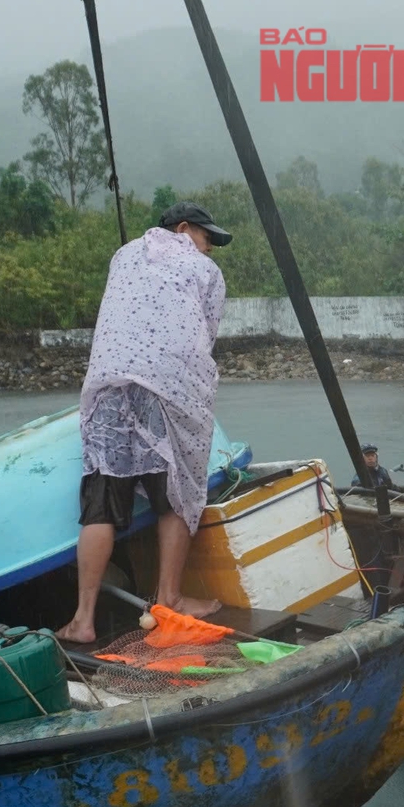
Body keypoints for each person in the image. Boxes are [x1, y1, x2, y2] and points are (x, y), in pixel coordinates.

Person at [59, 203, 233, 644]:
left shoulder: (123, 255)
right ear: (182, 229)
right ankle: (169, 597)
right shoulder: (203, 270)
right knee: (176, 487)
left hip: (108, 381)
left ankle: (82, 620)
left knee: (100, 496)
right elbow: (204, 333)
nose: (209, 248)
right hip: (167, 383)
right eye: (207, 238)